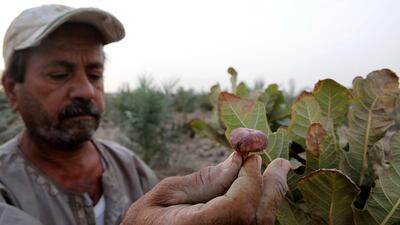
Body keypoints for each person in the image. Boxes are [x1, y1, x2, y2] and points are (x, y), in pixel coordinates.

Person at [0, 4, 291, 225]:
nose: (86, 91)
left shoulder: (131, 167)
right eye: (59, 74)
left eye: (95, 73)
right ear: (12, 90)